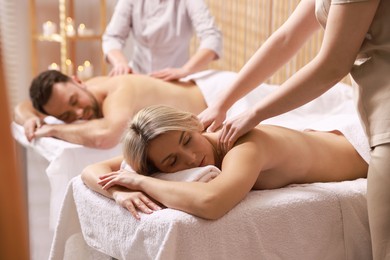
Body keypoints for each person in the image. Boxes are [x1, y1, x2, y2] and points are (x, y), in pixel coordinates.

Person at [197, 1, 389, 258]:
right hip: (374, 120)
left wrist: (255, 113)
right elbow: (286, 37)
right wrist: (222, 103)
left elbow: (333, 65)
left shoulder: (246, 150)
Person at [81, 105, 368, 221]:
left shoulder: (244, 145)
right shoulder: (172, 148)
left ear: (195, 123)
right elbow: (90, 171)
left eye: (187, 140)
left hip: (368, 150)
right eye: (172, 162)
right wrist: (119, 192)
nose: (191, 158)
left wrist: (140, 182)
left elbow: (211, 203)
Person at [13, 70, 207, 148]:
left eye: (74, 101)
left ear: (78, 81)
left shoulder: (117, 90)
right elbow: (21, 107)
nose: (79, 113)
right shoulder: (87, 92)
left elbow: (107, 135)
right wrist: (29, 119)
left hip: (212, 97)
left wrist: (54, 129)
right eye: (67, 115)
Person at [103, 0, 222, 80]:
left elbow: (211, 37)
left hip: (178, 79)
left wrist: (186, 70)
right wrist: (120, 63)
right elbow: (112, 37)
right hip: (138, 75)